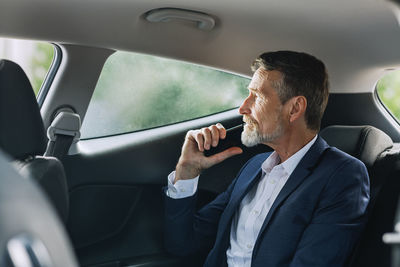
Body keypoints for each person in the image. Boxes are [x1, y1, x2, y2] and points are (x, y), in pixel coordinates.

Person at [164, 51, 370, 267]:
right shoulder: (253, 167)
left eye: (258, 96)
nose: (242, 108)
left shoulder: (342, 176)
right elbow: (182, 244)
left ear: (295, 108)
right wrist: (186, 171)